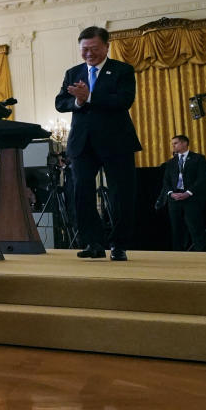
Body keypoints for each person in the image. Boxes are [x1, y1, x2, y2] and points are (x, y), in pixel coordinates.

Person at [55, 26, 141, 262]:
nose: (89, 54)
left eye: (94, 48)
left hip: (116, 141)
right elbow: (60, 102)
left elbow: (124, 100)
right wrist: (78, 102)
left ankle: (119, 244)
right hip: (82, 143)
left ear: (106, 46)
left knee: (121, 195)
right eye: (84, 49)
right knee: (81, 192)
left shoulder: (122, 70)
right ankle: (93, 242)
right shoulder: (73, 72)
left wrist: (89, 97)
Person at [159, 134, 206, 251]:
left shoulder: (198, 158)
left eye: (175, 143)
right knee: (176, 228)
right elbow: (166, 181)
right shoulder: (171, 162)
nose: (173, 146)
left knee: (195, 226)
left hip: (191, 198)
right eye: (172, 144)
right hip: (174, 198)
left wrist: (188, 193)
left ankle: (200, 252)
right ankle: (178, 253)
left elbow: (202, 178)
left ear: (184, 143)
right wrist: (171, 193)